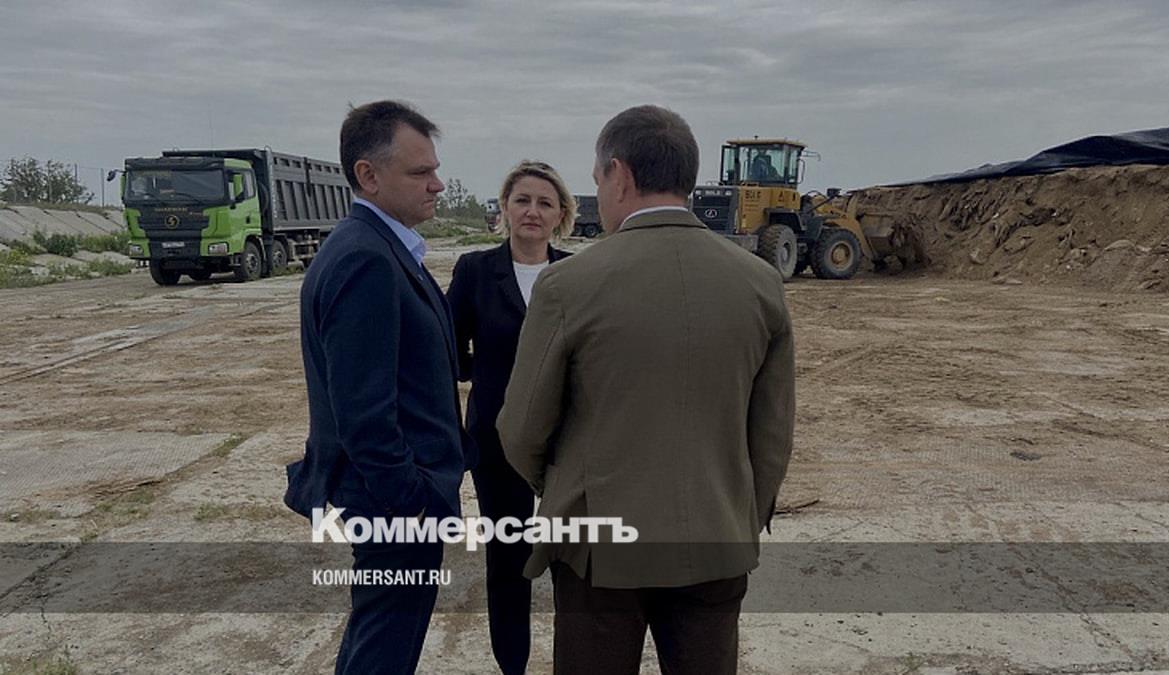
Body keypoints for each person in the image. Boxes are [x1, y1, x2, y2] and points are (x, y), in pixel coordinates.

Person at [497, 105, 795, 674]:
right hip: (716, 542)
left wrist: (568, 489)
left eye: (597, 181)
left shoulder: (567, 285)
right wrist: (737, 514)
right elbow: (773, 433)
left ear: (620, 174)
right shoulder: (760, 282)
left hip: (599, 552)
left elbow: (521, 428)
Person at [283, 99, 468, 675]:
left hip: (394, 499)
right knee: (385, 646)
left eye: (435, 169)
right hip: (393, 503)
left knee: (381, 640)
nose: (437, 184)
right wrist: (412, 500)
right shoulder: (365, 258)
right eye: (420, 172)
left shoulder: (381, 247)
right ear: (368, 175)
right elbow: (363, 413)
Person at [446, 160, 575, 674]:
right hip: (496, 439)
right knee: (508, 557)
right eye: (522, 200)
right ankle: (513, 666)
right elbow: (449, 349)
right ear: (504, 208)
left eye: (545, 203)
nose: (532, 211)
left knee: (571, 556)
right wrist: (489, 374)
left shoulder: (575, 274)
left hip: (568, 440)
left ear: (561, 215)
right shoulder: (475, 270)